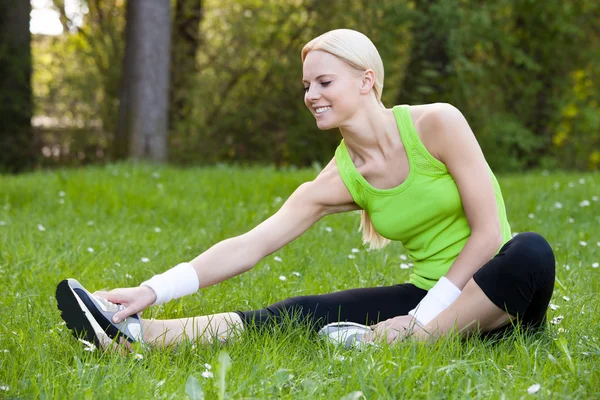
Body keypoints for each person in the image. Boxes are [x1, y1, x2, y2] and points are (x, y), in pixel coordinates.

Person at [56, 29, 555, 349]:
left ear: (366, 81)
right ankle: (135, 334)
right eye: (306, 86)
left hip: (498, 302)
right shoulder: (340, 178)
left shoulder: (437, 125)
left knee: (530, 250)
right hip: (431, 300)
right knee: (301, 313)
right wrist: (151, 290)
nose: (311, 96)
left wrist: (420, 321)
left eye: (323, 82)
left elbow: (489, 235)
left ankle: (410, 343)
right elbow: (250, 246)